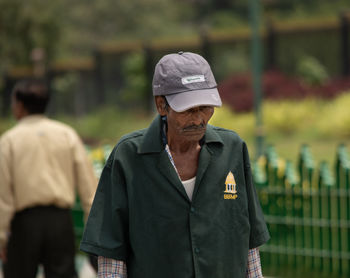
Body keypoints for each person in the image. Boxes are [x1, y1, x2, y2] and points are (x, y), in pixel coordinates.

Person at [80, 52, 270, 278]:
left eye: (205, 108)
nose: (199, 119)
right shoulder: (128, 157)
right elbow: (112, 250)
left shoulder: (232, 150)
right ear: (161, 105)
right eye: (189, 110)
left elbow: (248, 242)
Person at [0, 79, 97, 278]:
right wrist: (94, 226)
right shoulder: (66, 134)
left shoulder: (9, 140)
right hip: (60, 222)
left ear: (19, 105)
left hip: (23, 224)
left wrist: (1, 237)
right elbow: (88, 186)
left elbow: (4, 197)